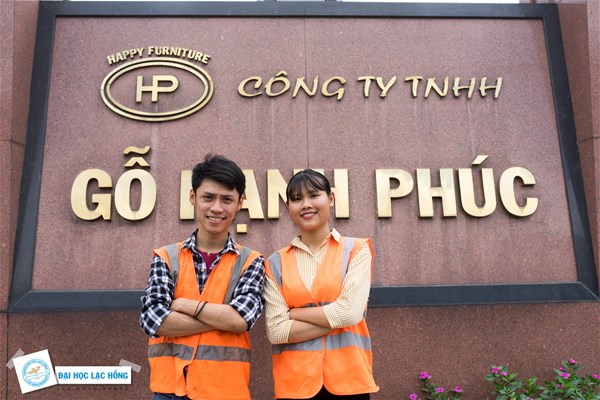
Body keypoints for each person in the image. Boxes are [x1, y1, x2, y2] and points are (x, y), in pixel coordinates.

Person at [140, 153, 265, 400]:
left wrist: (183, 305)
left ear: (240, 203)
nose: (216, 208)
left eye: (227, 199)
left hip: (225, 391)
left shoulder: (251, 261)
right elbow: (153, 320)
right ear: (192, 197)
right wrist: (223, 318)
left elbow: (241, 320)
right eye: (208, 197)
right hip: (169, 391)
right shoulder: (166, 257)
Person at [263, 169, 379, 400]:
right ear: (288, 207)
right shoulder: (275, 263)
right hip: (296, 385)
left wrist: (294, 314)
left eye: (314, 195)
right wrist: (337, 319)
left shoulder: (356, 250)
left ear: (331, 198)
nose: (306, 204)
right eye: (297, 199)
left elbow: (349, 313)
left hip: (350, 382)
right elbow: (276, 331)